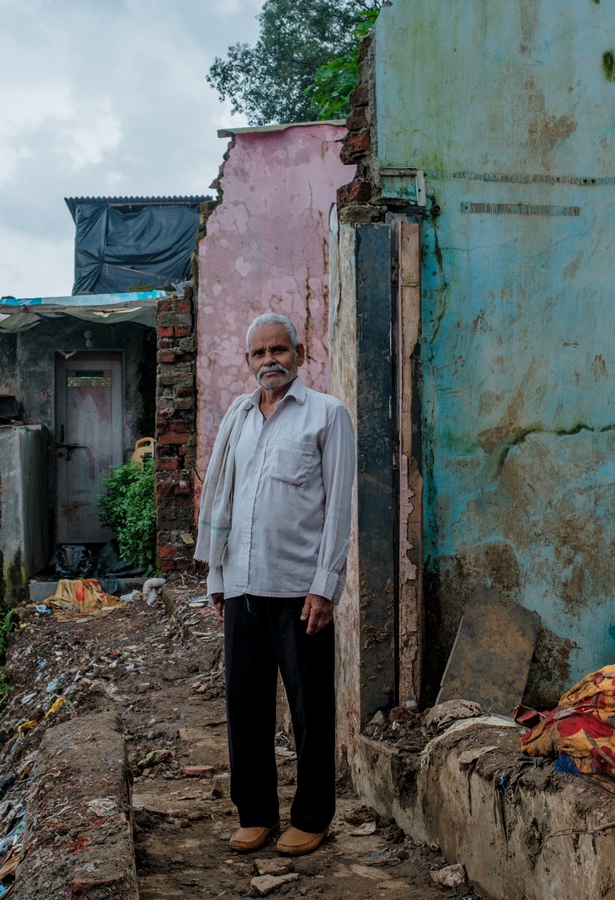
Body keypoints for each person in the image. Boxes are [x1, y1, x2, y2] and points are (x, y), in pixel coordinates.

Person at [194, 312, 354, 856]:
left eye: (279, 350)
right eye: (259, 354)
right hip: (242, 586)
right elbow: (227, 501)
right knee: (245, 705)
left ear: (299, 353)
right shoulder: (239, 420)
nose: (270, 361)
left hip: (298, 590)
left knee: (309, 708)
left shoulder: (327, 416)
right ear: (247, 362)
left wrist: (325, 587)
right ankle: (256, 814)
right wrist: (218, 577)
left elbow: (337, 509)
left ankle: (311, 816)